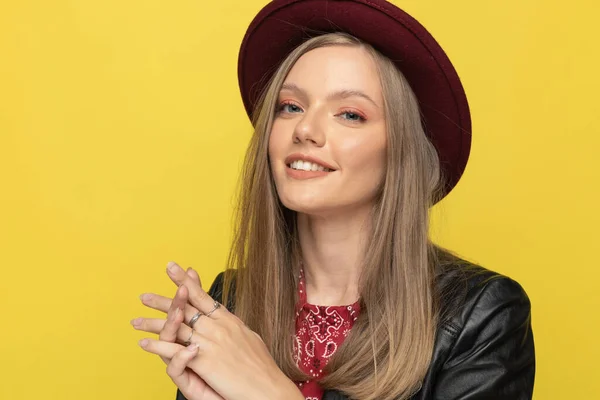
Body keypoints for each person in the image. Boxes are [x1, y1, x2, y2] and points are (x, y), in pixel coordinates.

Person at [131, 1, 536, 399]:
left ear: (402, 150)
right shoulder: (228, 303)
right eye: (290, 107)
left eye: (350, 114)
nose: (305, 128)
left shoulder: (481, 316)